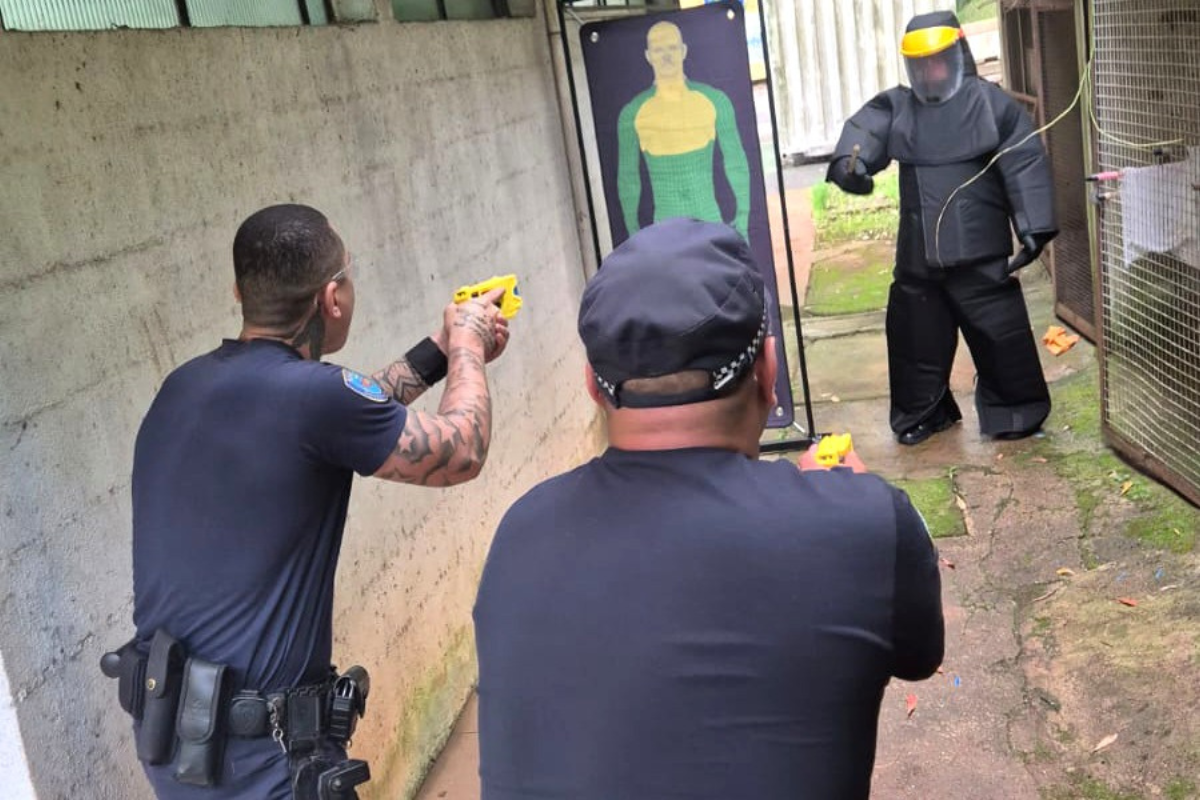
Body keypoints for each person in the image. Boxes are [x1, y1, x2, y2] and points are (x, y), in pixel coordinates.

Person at [473, 218, 944, 799]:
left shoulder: (522, 531)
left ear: (593, 385)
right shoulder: (862, 524)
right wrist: (853, 502)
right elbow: (920, 654)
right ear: (769, 371)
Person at [107, 204, 509, 798]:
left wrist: (438, 349)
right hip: (265, 761)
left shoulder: (187, 385)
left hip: (179, 742)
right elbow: (462, 450)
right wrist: (470, 349)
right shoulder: (311, 400)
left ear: (239, 290)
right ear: (332, 299)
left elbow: (342, 415)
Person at [826, 10, 1058, 445]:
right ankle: (924, 414)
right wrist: (849, 164)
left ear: (957, 55)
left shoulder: (992, 105)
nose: (928, 70)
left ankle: (1016, 412)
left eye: (936, 60)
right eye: (920, 63)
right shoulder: (898, 106)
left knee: (1001, 339)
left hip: (981, 257)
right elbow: (864, 130)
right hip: (918, 260)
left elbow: (1024, 163)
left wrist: (1035, 227)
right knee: (915, 344)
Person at [617, 21, 751, 240]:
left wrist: (743, 218)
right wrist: (632, 232)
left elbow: (736, 161)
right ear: (648, 56)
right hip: (666, 231)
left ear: (683, 51)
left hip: (710, 223)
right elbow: (628, 177)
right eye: (659, 49)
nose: (666, 55)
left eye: (672, 47)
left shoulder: (715, 101)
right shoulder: (633, 114)